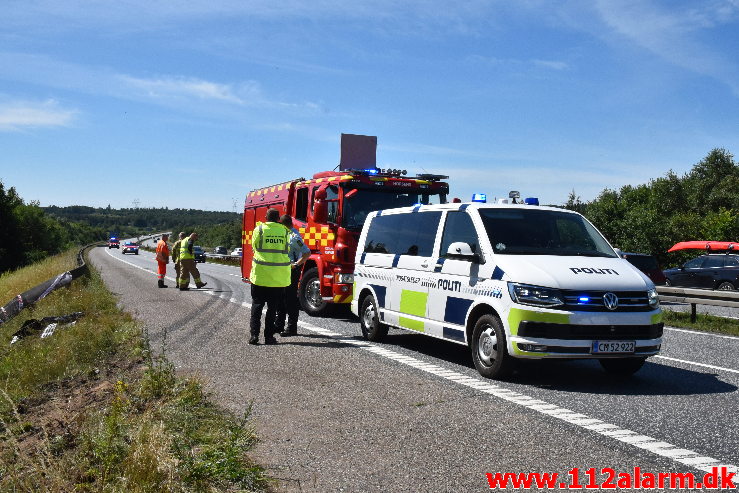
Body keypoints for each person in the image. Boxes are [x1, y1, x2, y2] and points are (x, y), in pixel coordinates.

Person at [249, 208, 291, 345]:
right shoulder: (285, 231)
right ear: (278, 218)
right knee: (272, 309)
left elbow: (254, 247)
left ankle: (254, 336)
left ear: (266, 217)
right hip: (277, 277)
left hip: (260, 275)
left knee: (257, 306)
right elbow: (288, 250)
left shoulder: (259, 229)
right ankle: (268, 337)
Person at [275, 214, 310, 336]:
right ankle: (279, 325)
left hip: (291, 271)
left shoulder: (295, 237)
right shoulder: (285, 234)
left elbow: (307, 252)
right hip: (283, 270)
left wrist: (296, 264)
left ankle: (291, 328)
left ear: (284, 225)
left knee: (290, 300)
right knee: (281, 298)